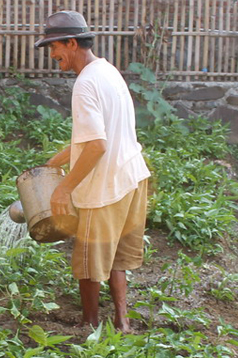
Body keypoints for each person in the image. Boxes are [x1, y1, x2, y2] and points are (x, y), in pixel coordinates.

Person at [34, 10, 151, 333]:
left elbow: (97, 146)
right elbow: (96, 137)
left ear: (72, 43)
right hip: (132, 178)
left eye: (54, 47)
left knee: (88, 264)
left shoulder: (85, 84)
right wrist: (52, 165)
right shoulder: (107, 71)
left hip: (105, 188)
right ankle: (122, 321)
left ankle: (89, 324)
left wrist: (63, 189)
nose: (53, 55)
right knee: (116, 258)